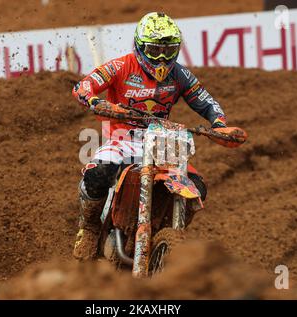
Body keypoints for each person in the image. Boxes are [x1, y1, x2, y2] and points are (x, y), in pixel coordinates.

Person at [71, 12, 227, 260]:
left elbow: (206, 101)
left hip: (162, 142)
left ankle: (166, 232)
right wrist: (95, 102)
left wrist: (219, 124)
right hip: (122, 139)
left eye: (169, 50)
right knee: (98, 174)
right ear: (140, 46)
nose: (163, 58)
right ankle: (89, 226)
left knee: (198, 187)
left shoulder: (180, 74)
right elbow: (83, 86)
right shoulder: (121, 66)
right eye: (155, 50)